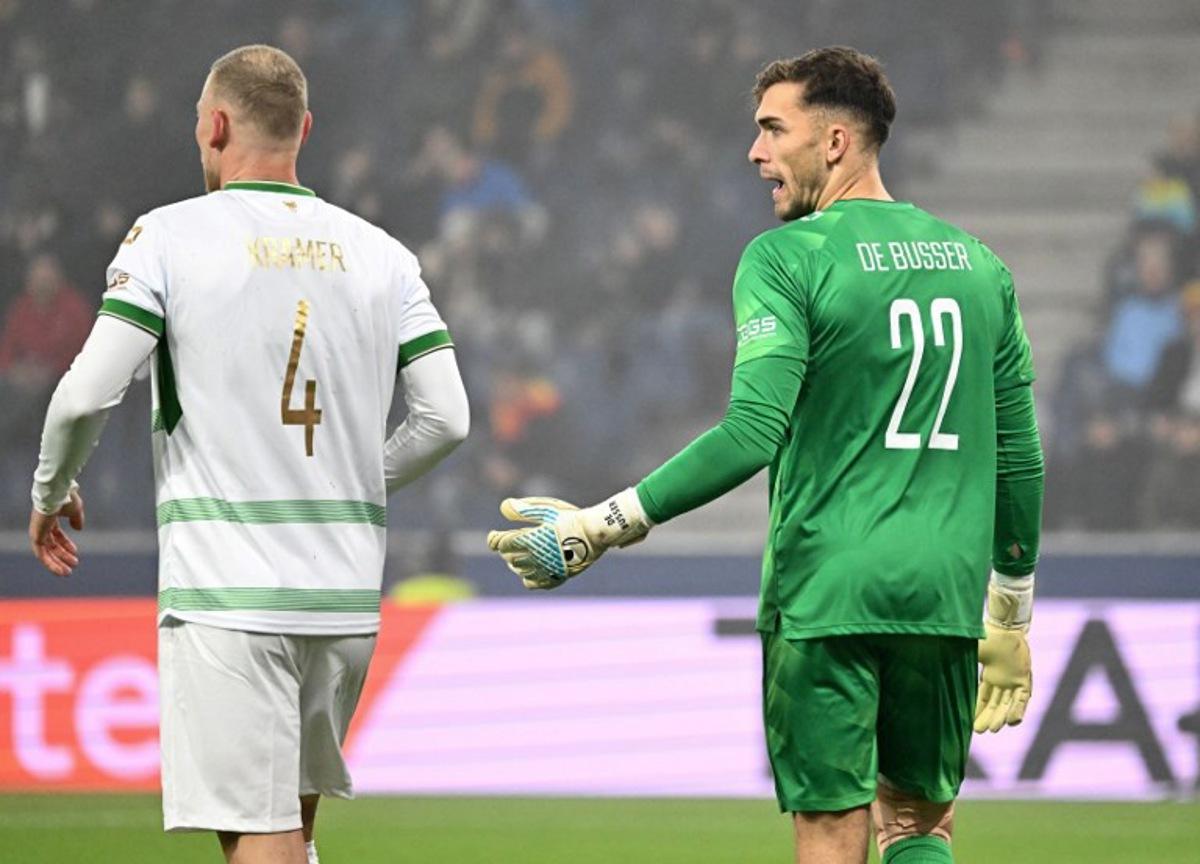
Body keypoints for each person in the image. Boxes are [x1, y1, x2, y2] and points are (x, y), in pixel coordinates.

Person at [487, 46, 1043, 864]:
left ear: (835, 143)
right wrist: (1012, 607)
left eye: (772, 130)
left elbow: (752, 432)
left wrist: (602, 524)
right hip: (944, 597)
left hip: (828, 589)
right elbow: (1018, 457)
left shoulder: (788, 258)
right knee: (921, 826)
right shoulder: (981, 268)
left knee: (830, 829)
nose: (755, 152)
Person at [28, 45, 469, 864]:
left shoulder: (166, 237)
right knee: (297, 835)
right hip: (342, 596)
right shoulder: (382, 253)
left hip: (232, 595)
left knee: (258, 839)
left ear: (216, 124)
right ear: (303, 129)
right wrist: (350, 481)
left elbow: (86, 394)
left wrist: (52, 487)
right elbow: (446, 418)